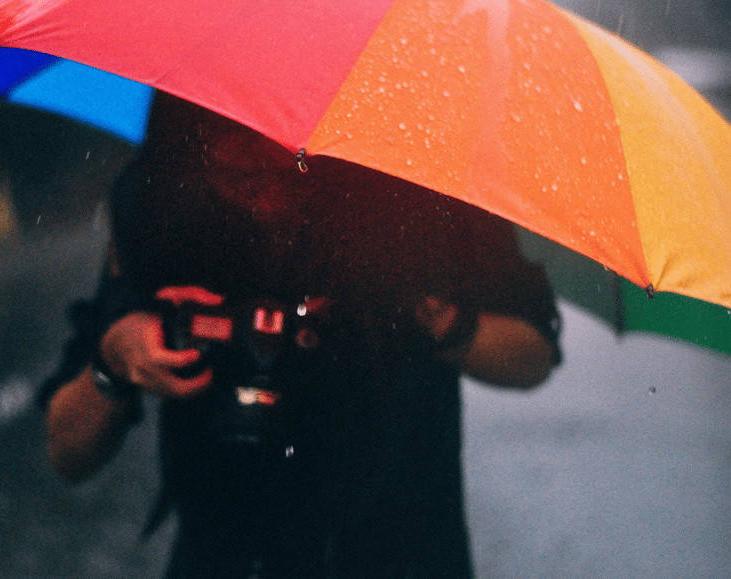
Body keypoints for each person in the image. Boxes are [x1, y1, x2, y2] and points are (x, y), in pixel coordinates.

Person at [39, 93, 561, 579]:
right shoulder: (159, 202)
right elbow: (68, 452)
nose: (263, 168)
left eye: (289, 162)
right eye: (235, 162)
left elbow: (533, 352)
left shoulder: (422, 184)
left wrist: (432, 316)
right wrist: (113, 363)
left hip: (401, 550)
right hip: (226, 554)